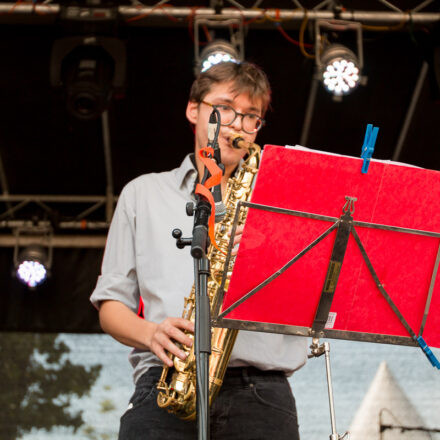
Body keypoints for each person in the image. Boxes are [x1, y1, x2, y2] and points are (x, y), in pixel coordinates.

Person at [90, 61, 308, 440]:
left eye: (251, 116)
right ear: (194, 110)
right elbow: (110, 307)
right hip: (166, 382)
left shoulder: (285, 204)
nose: (236, 124)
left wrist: (274, 250)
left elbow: (314, 301)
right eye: (224, 108)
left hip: (261, 393)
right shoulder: (142, 193)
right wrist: (150, 333)